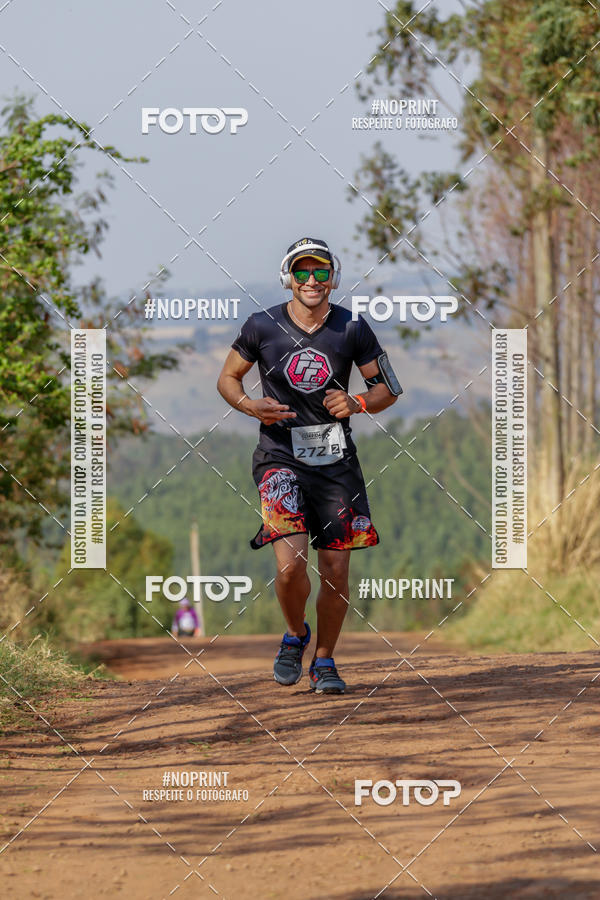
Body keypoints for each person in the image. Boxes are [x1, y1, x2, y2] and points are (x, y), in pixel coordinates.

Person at [217, 237, 401, 693]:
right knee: (290, 566)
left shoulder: (353, 327)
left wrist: (357, 400)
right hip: (279, 457)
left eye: (321, 271)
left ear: (333, 277)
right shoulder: (261, 325)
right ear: (289, 277)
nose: (312, 280)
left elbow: (388, 389)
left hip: (336, 461)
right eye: (303, 272)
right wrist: (248, 405)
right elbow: (227, 377)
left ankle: (324, 661)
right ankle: (296, 634)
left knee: (336, 568)